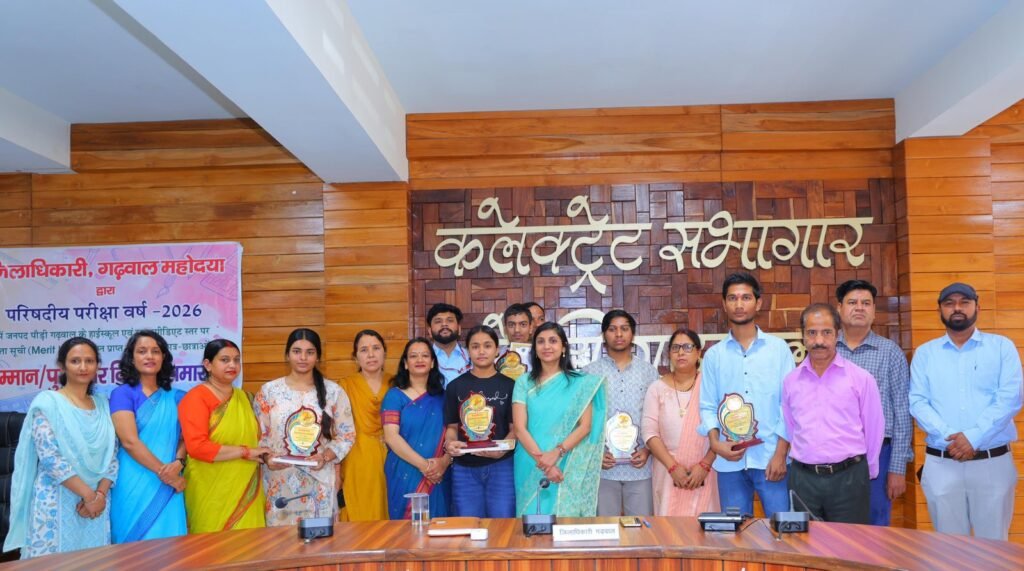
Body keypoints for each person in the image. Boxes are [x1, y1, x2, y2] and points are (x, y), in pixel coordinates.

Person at [909, 282, 1022, 540]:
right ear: (939, 310)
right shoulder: (925, 354)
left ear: (977, 307)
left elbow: (1010, 398)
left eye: (964, 302)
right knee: (947, 549)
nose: (957, 308)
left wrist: (973, 437)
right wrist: (952, 437)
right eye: (949, 303)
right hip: (942, 463)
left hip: (992, 463)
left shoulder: (1001, 348)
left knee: (994, 549)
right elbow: (917, 402)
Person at [4, 337, 118, 559]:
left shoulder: (103, 405)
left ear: (97, 366)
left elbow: (112, 456)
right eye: (75, 361)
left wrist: (100, 495)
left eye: (89, 361)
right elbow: (51, 459)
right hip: (55, 502)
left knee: (93, 562)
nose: (83, 367)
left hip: (97, 505)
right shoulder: (48, 403)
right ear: (62, 365)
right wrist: (89, 496)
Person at [698, 272, 793, 518]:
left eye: (746, 298)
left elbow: (788, 406)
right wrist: (716, 444)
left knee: (782, 530)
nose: (739, 304)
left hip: (771, 458)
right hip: (729, 460)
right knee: (734, 532)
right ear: (724, 304)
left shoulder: (778, 350)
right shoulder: (714, 356)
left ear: (758, 303)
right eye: (732, 298)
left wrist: (781, 454)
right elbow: (708, 406)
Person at [783, 304, 884, 524]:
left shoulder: (861, 378)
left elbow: (874, 429)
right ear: (803, 336)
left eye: (826, 332)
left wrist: (867, 471)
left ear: (837, 334)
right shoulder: (791, 381)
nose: (819, 340)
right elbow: (791, 428)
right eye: (812, 333)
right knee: (805, 543)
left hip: (849, 479)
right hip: (803, 480)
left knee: (849, 543)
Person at [256, 329, 356, 526]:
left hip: (319, 482)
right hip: (280, 481)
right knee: (280, 541)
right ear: (287, 355)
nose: (303, 357)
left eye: (310, 352)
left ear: (318, 356)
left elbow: (347, 435)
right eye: (297, 351)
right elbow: (259, 436)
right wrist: (267, 458)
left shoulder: (333, 392)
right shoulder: (269, 392)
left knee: (320, 540)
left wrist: (325, 456)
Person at [834, 280, 912, 526]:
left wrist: (897, 468)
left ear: (874, 311)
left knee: (875, 527)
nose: (859, 308)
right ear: (839, 308)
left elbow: (902, 412)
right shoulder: (826, 350)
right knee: (833, 527)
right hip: (833, 452)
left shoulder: (890, 352)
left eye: (866, 303)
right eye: (852, 302)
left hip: (879, 453)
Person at [513, 322, 605, 516]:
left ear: (563, 347)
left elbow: (585, 426)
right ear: (535, 349)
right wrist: (544, 463)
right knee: (532, 521)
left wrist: (557, 453)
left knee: (566, 523)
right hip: (530, 460)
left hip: (566, 460)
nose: (547, 346)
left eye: (553, 341)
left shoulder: (580, 383)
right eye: (541, 342)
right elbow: (520, 429)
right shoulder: (524, 382)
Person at [178, 339, 270, 533]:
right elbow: (197, 447)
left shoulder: (246, 399)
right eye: (225, 360)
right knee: (213, 547)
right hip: (210, 489)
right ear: (208, 364)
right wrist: (245, 452)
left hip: (246, 487)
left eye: (236, 360)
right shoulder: (195, 398)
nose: (232, 365)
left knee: (251, 544)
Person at [109, 330, 186, 543]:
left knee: (172, 545)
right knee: (132, 548)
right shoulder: (122, 394)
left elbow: (185, 438)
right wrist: (167, 474)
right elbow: (129, 441)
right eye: (142, 351)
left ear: (163, 357)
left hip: (170, 482)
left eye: (155, 351)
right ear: (132, 358)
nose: (149, 356)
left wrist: (179, 462)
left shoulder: (178, 397)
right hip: (133, 480)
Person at [583, 309, 658, 516]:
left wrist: (648, 450)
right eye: (612, 329)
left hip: (640, 465)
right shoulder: (589, 373)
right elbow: (582, 421)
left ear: (632, 334)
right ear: (603, 334)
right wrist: (596, 454)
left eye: (624, 329)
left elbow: (656, 417)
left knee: (642, 529)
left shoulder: (648, 372)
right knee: (605, 529)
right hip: (602, 467)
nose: (618, 334)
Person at [642, 328, 718, 516]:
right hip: (667, 471)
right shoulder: (656, 388)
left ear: (698, 352)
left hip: (706, 470)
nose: (681, 352)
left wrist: (705, 465)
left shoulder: (711, 386)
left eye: (687, 347)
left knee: (706, 527)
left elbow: (723, 430)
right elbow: (649, 433)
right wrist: (673, 467)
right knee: (669, 528)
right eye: (675, 348)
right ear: (669, 354)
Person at [443, 325, 517, 517]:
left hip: (502, 467)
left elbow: (515, 429)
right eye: (475, 346)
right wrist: (450, 444)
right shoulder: (455, 387)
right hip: (464, 468)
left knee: (503, 524)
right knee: (469, 524)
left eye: (487, 345)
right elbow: (452, 427)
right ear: (468, 351)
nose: (481, 351)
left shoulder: (511, 386)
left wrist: (502, 450)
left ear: (497, 350)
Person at [382, 337, 452, 519]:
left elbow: (453, 433)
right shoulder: (394, 396)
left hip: (440, 472)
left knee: (440, 526)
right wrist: (425, 466)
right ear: (405, 364)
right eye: (413, 356)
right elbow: (391, 437)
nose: (420, 360)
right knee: (406, 528)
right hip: (405, 469)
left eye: (425, 355)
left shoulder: (444, 397)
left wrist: (444, 462)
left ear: (432, 363)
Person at [338, 330, 390, 521]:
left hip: (393, 456)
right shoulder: (344, 386)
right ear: (355, 357)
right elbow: (336, 431)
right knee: (360, 516)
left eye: (376, 348)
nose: (371, 355)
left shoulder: (397, 384)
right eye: (364, 350)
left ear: (384, 353)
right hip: (357, 458)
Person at [427, 303, 471, 387]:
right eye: (438, 321)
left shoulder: (471, 357)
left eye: (450, 320)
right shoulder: (423, 359)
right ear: (430, 331)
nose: (444, 324)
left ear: (459, 329)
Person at [497, 303, 532, 379]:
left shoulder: (540, 355)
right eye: (511, 325)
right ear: (505, 329)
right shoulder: (496, 356)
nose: (517, 330)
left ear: (530, 328)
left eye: (523, 324)